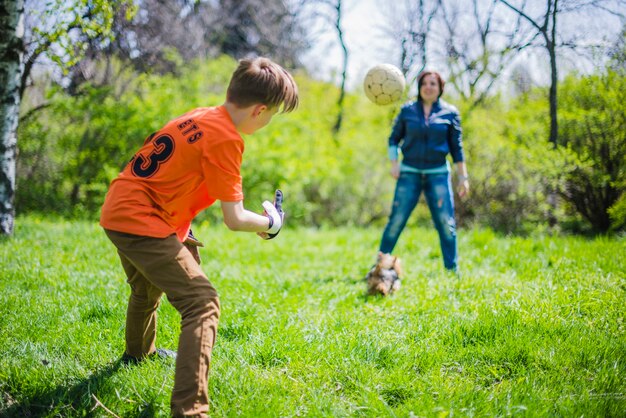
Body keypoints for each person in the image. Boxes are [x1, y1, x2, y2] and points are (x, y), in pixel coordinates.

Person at [99, 57, 298, 418]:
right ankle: (191, 411)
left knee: (146, 288)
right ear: (260, 110)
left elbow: (184, 179)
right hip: (141, 218)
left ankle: (138, 354)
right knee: (202, 303)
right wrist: (271, 224)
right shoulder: (226, 138)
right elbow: (234, 219)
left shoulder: (202, 115)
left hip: (121, 206)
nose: (268, 122)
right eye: (272, 115)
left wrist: (185, 234)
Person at [378, 70, 468, 273]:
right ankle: (379, 267)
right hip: (409, 173)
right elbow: (393, 139)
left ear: (440, 88)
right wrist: (394, 163)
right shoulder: (407, 111)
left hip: (438, 174)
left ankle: (451, 271)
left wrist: (463, 177)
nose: (428, 87)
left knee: (446, 223)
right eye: (424, 83)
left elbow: (457, 148)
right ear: (419, 87)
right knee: (396, 221)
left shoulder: (450, 113)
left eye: (433, 83)